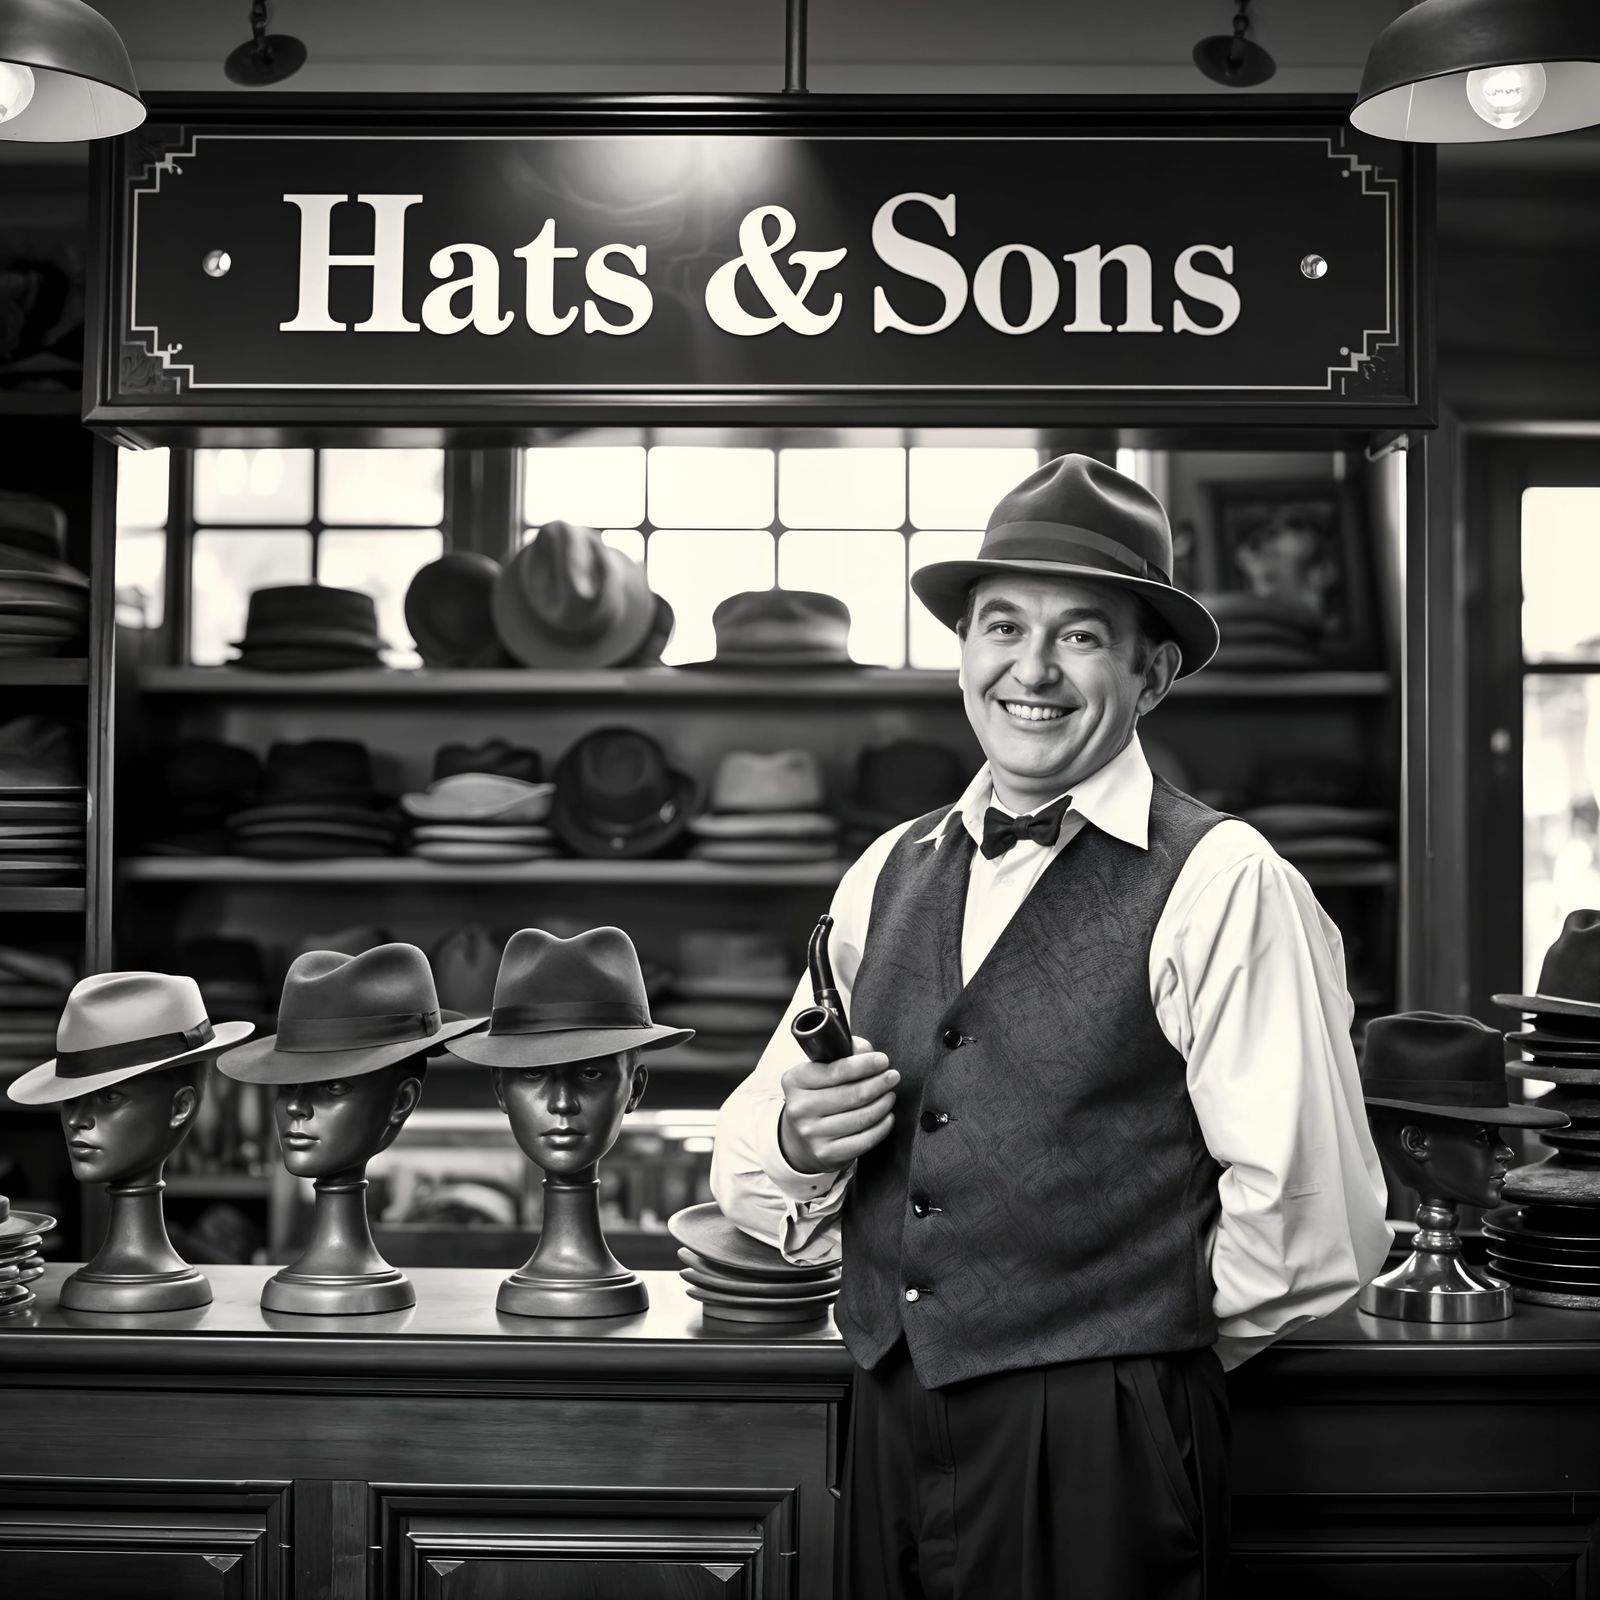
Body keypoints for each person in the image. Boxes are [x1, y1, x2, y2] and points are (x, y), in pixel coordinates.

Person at [711, 454, 1393, 1600]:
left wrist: (1124, 1364)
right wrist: (796, 1144)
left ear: (1152, 671)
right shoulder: (886, 869)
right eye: (999, 627)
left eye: (1079, 635)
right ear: (964, 653)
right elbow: (748, 1152)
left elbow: (1312, 1223)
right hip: (883, 1410)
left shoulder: (1226, 879)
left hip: (1103, 1432)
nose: (1030, 669)